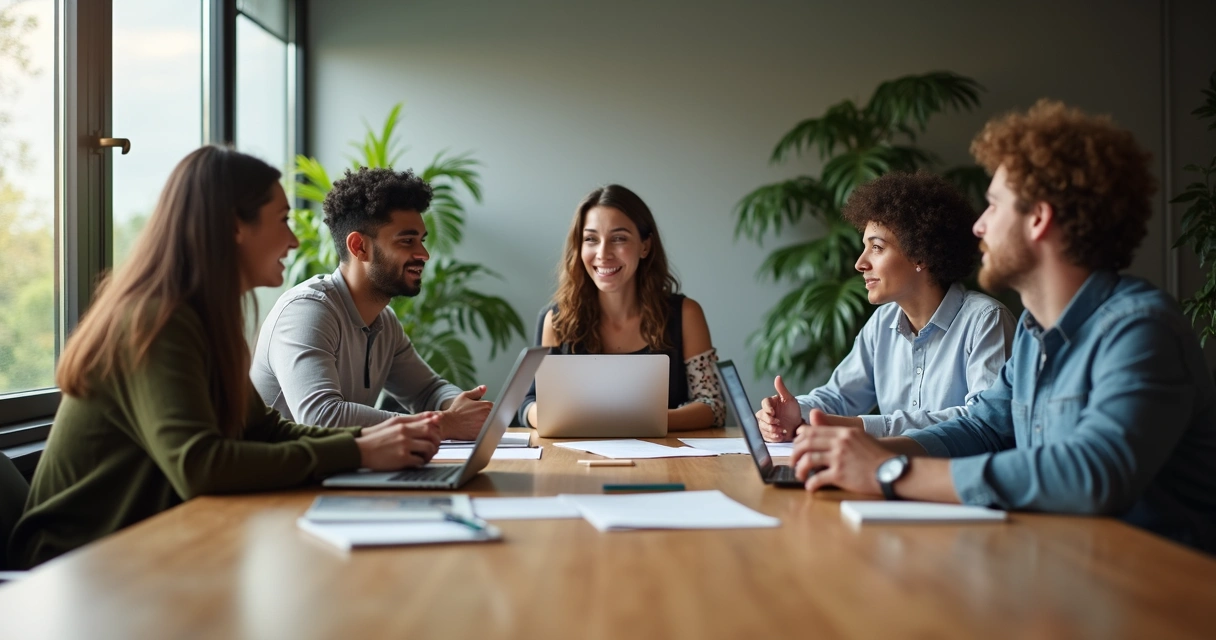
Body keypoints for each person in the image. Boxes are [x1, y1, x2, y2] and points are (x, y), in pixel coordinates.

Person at [791, 100, 1216, 553]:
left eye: (993, 206)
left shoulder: (1140, 330)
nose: (978, 226)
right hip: (1065, 567)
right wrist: (875, 455)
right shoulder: (1036, 332)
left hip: (1155, 592)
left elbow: (1093, 472)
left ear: (1039, 217)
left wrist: (891, 473)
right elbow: (983, 428)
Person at [8, 147, 442, 569]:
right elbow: (201, 465)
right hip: (75, 569)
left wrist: (366, 445)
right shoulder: (155, 321)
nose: (293, 240)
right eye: (282, 220)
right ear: (236, 227)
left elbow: (263, 430)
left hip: (146, 551)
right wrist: (361, 454)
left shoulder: (207, 320)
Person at [758, 171, 1015, 441]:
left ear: (921, 254)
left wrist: (859, 426)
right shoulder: (882, 322)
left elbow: (982, 422)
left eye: (877, 248)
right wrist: (794, 412)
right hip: (889, 476)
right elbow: (839, 396)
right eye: (864, 247)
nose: (860, 263)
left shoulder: (987, 320)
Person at [251, 167, 491, 440]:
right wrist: (442, 423)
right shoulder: (307, 311)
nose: (423, 254)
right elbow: (321, 416)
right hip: (283, 480)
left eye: (421, 241)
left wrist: (463, 409)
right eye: (407, 241)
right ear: (359, 247)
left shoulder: (383, 321)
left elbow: (427, 391)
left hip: (337, 476)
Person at [519, 184, 726, 432]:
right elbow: (530, 402)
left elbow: (713, 406)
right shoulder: (555, 320)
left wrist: (643, 421)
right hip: (576, 464)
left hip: (669, 465)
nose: (603, 253)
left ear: (645, 246)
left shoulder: (685, 315)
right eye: (591, 239)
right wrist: (545, 416)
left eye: (619, 238)